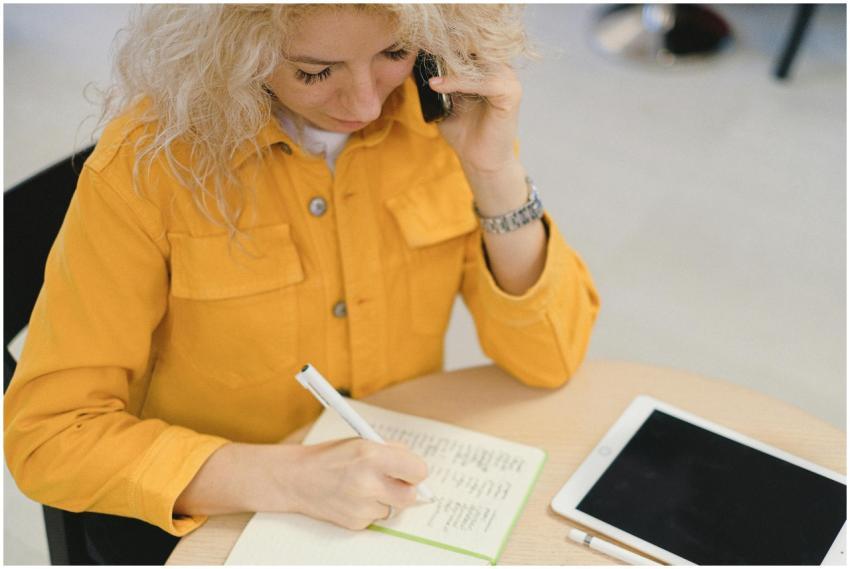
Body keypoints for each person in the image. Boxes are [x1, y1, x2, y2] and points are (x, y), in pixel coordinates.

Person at [4, 4, 600, 565]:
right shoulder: (149, 168)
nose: (366, 101)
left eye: (394, 52)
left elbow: (549, 357)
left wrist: (493, 172)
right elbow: (50, 438)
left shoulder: (441, 114)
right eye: (315, 72)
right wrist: (292, 478)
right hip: (214, 514)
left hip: (392, 493)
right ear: (233, 49)